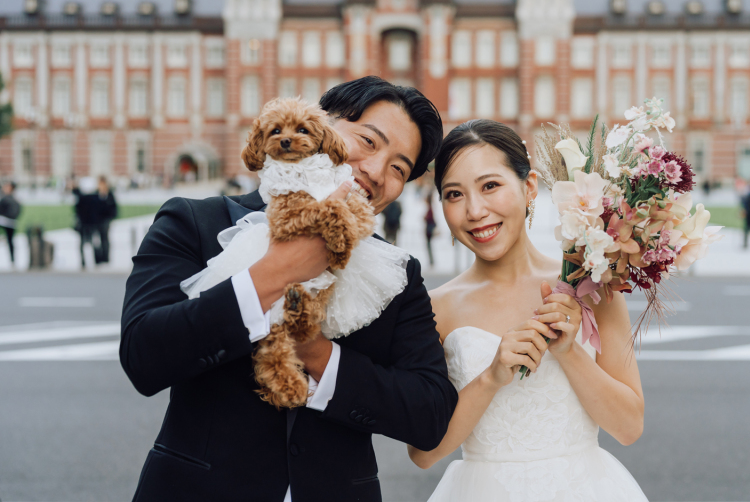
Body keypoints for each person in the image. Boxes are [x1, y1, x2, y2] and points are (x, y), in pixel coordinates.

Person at [120, 76, 458, 502]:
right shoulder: (195, 222)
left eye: (398, 168)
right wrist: (273, 274)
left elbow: (429, 414)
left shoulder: (395, 274)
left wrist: (318, 354)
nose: (375, 171)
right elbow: (143, 355)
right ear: (321, 125)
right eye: (368, 142)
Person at [408, 120, 648, 501]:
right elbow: (423, 453)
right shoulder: (433, 308)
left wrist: (569, 352)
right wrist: (491, 377)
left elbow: (629, 426)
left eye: (490, 186)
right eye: (454, 194)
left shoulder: (590, 284)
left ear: (529, 187)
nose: (474, 210)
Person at [95, 176, 118, 264]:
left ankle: (106, 257)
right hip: (98, 219)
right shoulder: (96, 193)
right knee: (98, 239)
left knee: (105, 238)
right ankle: (99, 257)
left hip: (106, 219)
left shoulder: (109, 194)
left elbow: (113, 207)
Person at [0, 181, 22, 265]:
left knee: (10, 241)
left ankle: (12, 260)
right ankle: (12, 260)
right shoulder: (14, 199)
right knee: (10, 241)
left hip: (6, 222)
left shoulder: (8, 199)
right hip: (11, 223)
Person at [424, 189, 436, 266]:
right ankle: (431, 260)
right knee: (429, 246)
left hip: (429, 230)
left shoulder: (430, 209)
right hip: (428, 229)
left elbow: (431, 219)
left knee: (429, 246)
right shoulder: (430, 209)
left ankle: (431, 261)